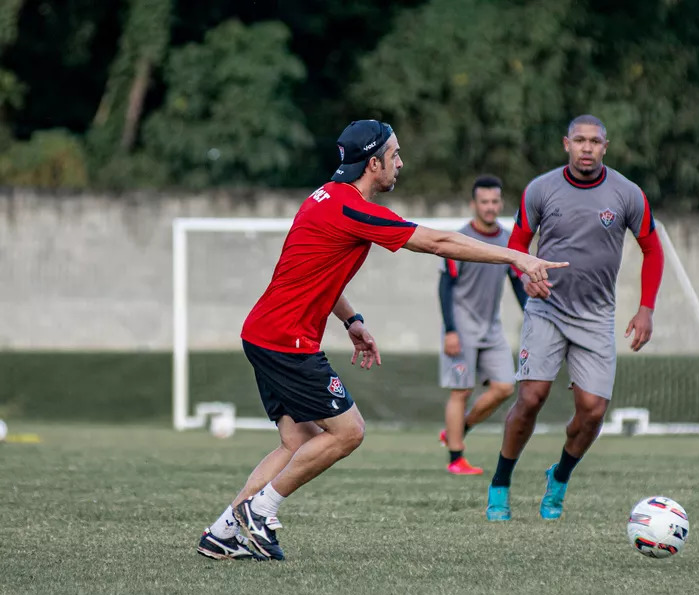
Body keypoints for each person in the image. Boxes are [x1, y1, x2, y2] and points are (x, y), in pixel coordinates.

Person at [196, 120, 567, 561]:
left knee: (297, 444)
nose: (400, 164)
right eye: (394, 156)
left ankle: (223, 531)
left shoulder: (323, 199)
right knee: (348, 432)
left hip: (263, 334)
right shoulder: (352, 207)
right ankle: (259, 512)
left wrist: (352, 320)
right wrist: (518, 257)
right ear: (373, 163)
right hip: (286, 341)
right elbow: (438, 242)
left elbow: (313, 274)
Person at [485, 114, 665, 522]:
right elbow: (516, 246)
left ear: (606, 146)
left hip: (597, 316)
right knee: (531, 397)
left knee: (593, 411)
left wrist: (646, 309)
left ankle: (560, 477)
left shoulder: (628, 194)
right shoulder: (540, 189)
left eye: (595, 141)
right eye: (580, 140)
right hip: (547, 308)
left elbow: (653, 250)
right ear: (566, 144)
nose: (587, 148)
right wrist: (524, 274)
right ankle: (500, 484)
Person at [437, 175, 528, 475]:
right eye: (484, 202)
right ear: (473, 204)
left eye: (494, 201)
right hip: (461, 326)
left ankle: (458, 428)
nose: (489, 207)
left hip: (492, 327)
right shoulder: (460, 239)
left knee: (504, 387)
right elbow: (445, 287)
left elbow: (517, 285)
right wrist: (450, 330)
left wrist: (535, 318)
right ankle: (455, 458)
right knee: (461, 391)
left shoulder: (508, 241)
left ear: (500, 203)